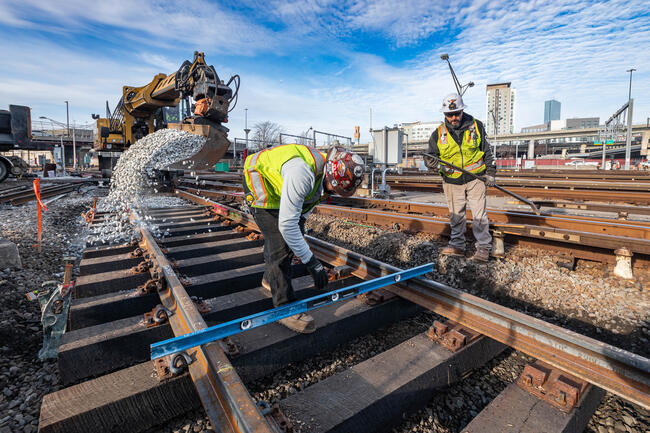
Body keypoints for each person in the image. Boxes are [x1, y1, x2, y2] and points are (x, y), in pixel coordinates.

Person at [243, 143, 365, 333]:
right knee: (280, 242)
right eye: (334, 189)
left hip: (279, 185)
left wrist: (299, 237)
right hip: (260, 183)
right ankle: (284, 307)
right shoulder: (302, 174)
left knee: (292, 236)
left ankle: (270, 279)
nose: (332, 192)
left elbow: (303, 211)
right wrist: (312, 262)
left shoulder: (323, 174)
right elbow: (286, 225)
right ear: (331, 175)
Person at [424, 93, 496, 262]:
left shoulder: (476, 126)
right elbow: (429, 158)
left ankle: (484, 248)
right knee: (456, 215)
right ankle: (457, 245)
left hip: (475, 177)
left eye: (457, 113)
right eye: (450, 115)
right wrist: (438, 166)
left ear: (462, 111)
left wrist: (491, 173)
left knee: (479, 215)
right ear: (444, 115)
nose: (454, 117)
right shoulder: (438, 134)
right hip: (452, 181)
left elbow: (487, 151)